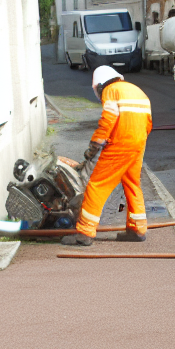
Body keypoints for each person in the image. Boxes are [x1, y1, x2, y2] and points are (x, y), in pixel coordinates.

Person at [61, 66, 153, 246]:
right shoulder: (136, 90)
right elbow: (148, 123)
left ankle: (85, 232)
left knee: (97, 185)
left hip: (120, 145)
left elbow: (108, 121)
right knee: (132, 184)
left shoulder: (111, 92)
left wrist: (94, 146)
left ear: (100, 85)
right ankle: (137, 229)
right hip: (138, 144)